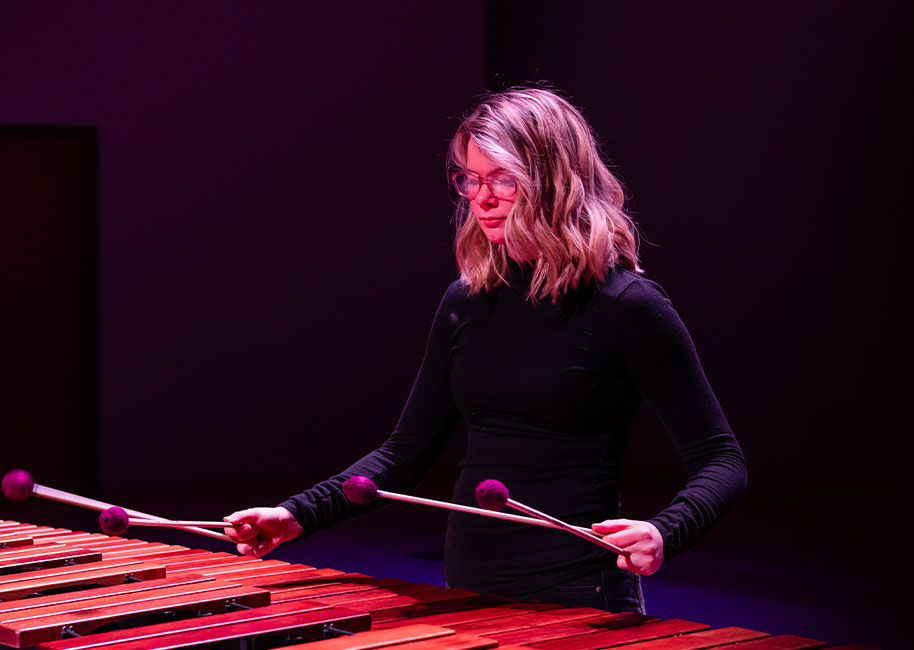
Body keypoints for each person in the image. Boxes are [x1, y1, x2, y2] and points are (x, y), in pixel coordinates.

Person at [222, 88, 747, 614]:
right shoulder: (467, 301)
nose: (481, 198)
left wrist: (664, 532)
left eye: (503, 179)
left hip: (578, 590)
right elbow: (406, 451)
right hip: (470, 582)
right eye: (470, 179)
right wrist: (296, 516)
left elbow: (721, 459)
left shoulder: (627, 305)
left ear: (554, 182)